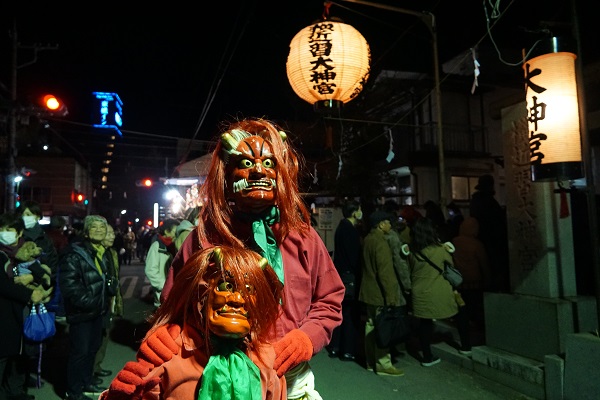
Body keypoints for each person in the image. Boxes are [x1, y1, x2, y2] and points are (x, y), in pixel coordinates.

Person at [145, 118, 344, 399]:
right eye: (246, 164)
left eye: (270, 163)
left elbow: (329, 299)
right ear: (227, 176)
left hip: (288, 377)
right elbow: (173, 304)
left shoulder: (303, 238)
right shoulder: (203, 238)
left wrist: (306, 337)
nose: (259, 171)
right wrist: (167, 336)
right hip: (214, 378)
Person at [100, 245, 286, 400]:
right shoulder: (169, 355)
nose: (238, 299)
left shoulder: (266, 359)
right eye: (226, 286)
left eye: (249, 289)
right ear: (201, 295)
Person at [0, 212, 53, 400]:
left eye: (9, 230)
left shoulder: (29, 248)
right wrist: (28, 292)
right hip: (8, 311)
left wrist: (32, 277)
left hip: (27, 309)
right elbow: (3, 284)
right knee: (7, 352)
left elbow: (47, 272)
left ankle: (17, 389)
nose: (4, 233)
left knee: (24, 350)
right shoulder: (2, 254)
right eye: (1, 230)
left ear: (19, 232)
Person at [405, 217, 471, 367]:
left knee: (425, 322)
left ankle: (427, 357)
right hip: (440, 291)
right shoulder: (441, 250)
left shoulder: (411, 252)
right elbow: (451, 266)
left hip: (420, 293)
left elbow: (408, 269)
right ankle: (466, 347)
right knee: (461, 313)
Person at [59, 215, 112, 400]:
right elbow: (69, 285)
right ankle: (73, 392)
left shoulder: (99, 251)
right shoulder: (74, 253)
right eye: (95, 227)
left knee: (92, 349)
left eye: (102, 227)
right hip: (82, 313)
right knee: (79, 352)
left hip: (97, 312)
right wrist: (89, 302)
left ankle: (86, 381)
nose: (99, 230)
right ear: (87, 231)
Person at [360, 210, 404, 376]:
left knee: (370, 325)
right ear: (380, 224)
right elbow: (385, 273)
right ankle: (384, 364)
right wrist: (391, 296)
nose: (390, 225)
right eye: (388, 222)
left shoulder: (368, 240)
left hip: (368, 291)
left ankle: (371, 362)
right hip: (379, 293)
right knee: (382, 327)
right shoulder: (381, 243)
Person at [327, 199, 363, 362]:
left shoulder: (341, 228)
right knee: (349, 314)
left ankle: (335, 346)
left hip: (340, 275)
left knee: (340, 312)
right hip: (349, 277)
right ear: (355, 212)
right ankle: (347, 350)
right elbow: (354, 257)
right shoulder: (351, 230)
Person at [93, 224, 123, 383]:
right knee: (95, 337)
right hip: (97, 301)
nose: (112, 236)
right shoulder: (95, 252)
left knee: (104, 335)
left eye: (112, 233)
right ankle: (91, 370)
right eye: (109, 233)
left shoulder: (111, 252)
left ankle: (96, 367)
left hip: (109, 300)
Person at [469, 174, 509, 292]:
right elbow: (497, 221)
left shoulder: (476, 201)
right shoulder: (489, 201)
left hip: (481, 237)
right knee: (491, 267)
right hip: (493, 240)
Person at [451, 217, 491, 333]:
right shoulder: (477, 244)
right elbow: (484, 265)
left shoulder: (454, 241)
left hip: (459, 282)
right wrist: (488, 280)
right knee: (474, 308)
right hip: (475, 282)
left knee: (462, 308)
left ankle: (463, 328)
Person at [144, 218, 179, 309]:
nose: (177, 235)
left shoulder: (176, 245)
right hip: (163, 297)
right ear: (167, 231)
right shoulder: (156, 246)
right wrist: (165, 286)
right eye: (175, 232)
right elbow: (150, 270)